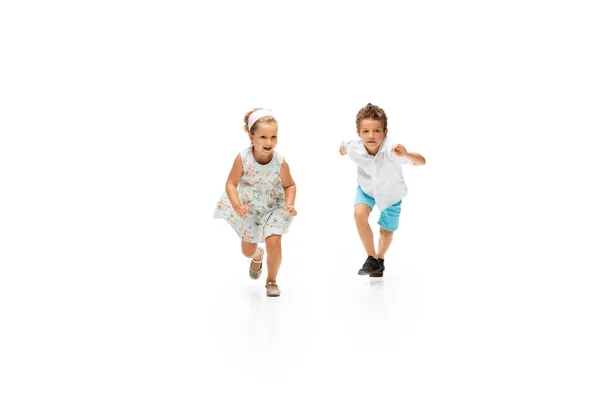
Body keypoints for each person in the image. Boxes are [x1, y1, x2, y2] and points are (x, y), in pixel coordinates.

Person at [213, 108, 297, 297]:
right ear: (251, 137)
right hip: (249, 207)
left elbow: (290, 185)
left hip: (274, 206)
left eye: (273, 137)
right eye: (263, 137)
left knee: (274, 241)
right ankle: (258, 256)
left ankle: (272, 281)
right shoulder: (242, 159)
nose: (269, 142)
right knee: (247, 250)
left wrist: (289, 204)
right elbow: (231, 183)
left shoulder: (280, 162)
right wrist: (237, 205)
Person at [339, 103, 426, 277]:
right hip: (367, 189)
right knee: (359, 213)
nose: (371, 136)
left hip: (390, 194)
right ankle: (370, 258)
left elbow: (422, 161)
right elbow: (343, 148)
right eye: (365, 131)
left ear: (385, 132)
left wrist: (406, 154)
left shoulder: (392, 150)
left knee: (385, 233)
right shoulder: (355, 146)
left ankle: (379, 260)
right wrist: (342, 148)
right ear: (359, 133)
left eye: (377, 131)